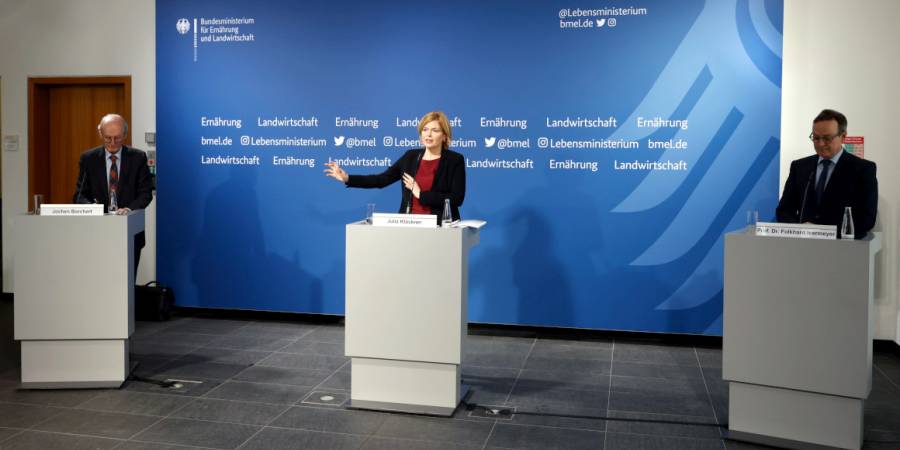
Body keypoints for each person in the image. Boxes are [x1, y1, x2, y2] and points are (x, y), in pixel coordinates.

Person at [324, 111, 465, 222]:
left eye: (435, 130)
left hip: (440, 228)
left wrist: (421, 194)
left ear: (445, 136)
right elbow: (381, 180)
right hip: (408, 226)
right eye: (425, 129)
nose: (428, 134)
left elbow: (456, 199)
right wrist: (347, 178)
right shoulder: (411, 157)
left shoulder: (454, 160)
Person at [775, 109, 877, 239]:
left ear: (843, 136)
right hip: (801, 247)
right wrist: (799, 229)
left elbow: (866, 219)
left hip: (842, 250)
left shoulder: (863, 169)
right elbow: (784, 211)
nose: (821, 144)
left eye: (827, 138)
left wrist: (822, 231)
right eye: (816, 138)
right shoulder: (800, 167)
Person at [74, 113, 154, 272]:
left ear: (125, 134)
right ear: (100, 134)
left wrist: (129, 209)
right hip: (97, 232)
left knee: (127, 281)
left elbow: (146, 193)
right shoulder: (88, 158)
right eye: (107, 138)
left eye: (117, 138)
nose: (112, 143)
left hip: (129, 232)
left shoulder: (138, 157)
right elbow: (79, 195)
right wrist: (93, 209)